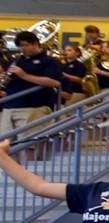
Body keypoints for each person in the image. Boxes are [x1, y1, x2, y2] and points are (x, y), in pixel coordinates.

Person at [1, 31, 63, 161]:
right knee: (4, 143)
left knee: (27, 143)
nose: (22, 49)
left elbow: (54, 82)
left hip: (33, 106)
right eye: (19, 46)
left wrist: (24, 75)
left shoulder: (49, 61)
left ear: (35, 43)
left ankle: (28, 174)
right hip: (10, 105)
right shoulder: (17, 60)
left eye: (24, 45)